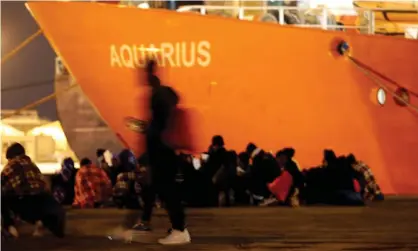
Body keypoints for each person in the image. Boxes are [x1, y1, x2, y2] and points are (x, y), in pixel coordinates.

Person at [127, 59, 190, 245]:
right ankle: (176, 227)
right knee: (163, 189)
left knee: (167, 190)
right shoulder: (164, 94)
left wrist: (147, 132)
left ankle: (179, 230)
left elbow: (159, 125)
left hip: (162, 151)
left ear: (149, 73)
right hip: (165, 150)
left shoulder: (158, 95)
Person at [1, 143, 65, 238]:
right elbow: (44, 184)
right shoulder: (33, 165)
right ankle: (42, 222)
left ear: (10, 156)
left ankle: (10, 227)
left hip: (22, 201)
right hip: (43, 200)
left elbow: (2, 182)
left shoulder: (11, 165)